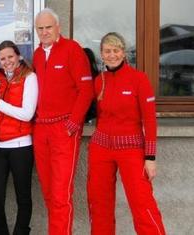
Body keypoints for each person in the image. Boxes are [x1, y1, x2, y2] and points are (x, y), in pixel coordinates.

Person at [87, 32, 166, 235]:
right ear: (102, 55)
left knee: (142, 203)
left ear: (123, 53)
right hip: (101, 149)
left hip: (132, 150)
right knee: (99, 204)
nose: (111, 55)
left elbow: (149, 120)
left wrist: (150, 157)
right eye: (107, 51)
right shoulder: (99, 81)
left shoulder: (138, 79)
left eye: (116, 50)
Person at [32, 8, 94, 235]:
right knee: (48, 191)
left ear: (58, 27)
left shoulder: (72, 49)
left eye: (49, 27)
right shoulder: (37, 55)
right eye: (40, 28)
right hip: (41, 129)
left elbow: (86, 89)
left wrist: (74, 123)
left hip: (63, 128)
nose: (45, 32)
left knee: (60, 194)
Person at [0, 40, 37, 235]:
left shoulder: (30, 77)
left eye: (10, 57)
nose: (7, 61)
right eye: (2, 58)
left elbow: (27, 113)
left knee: (23, 196)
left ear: (18, 56)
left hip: (20, 145)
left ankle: (21, 232)